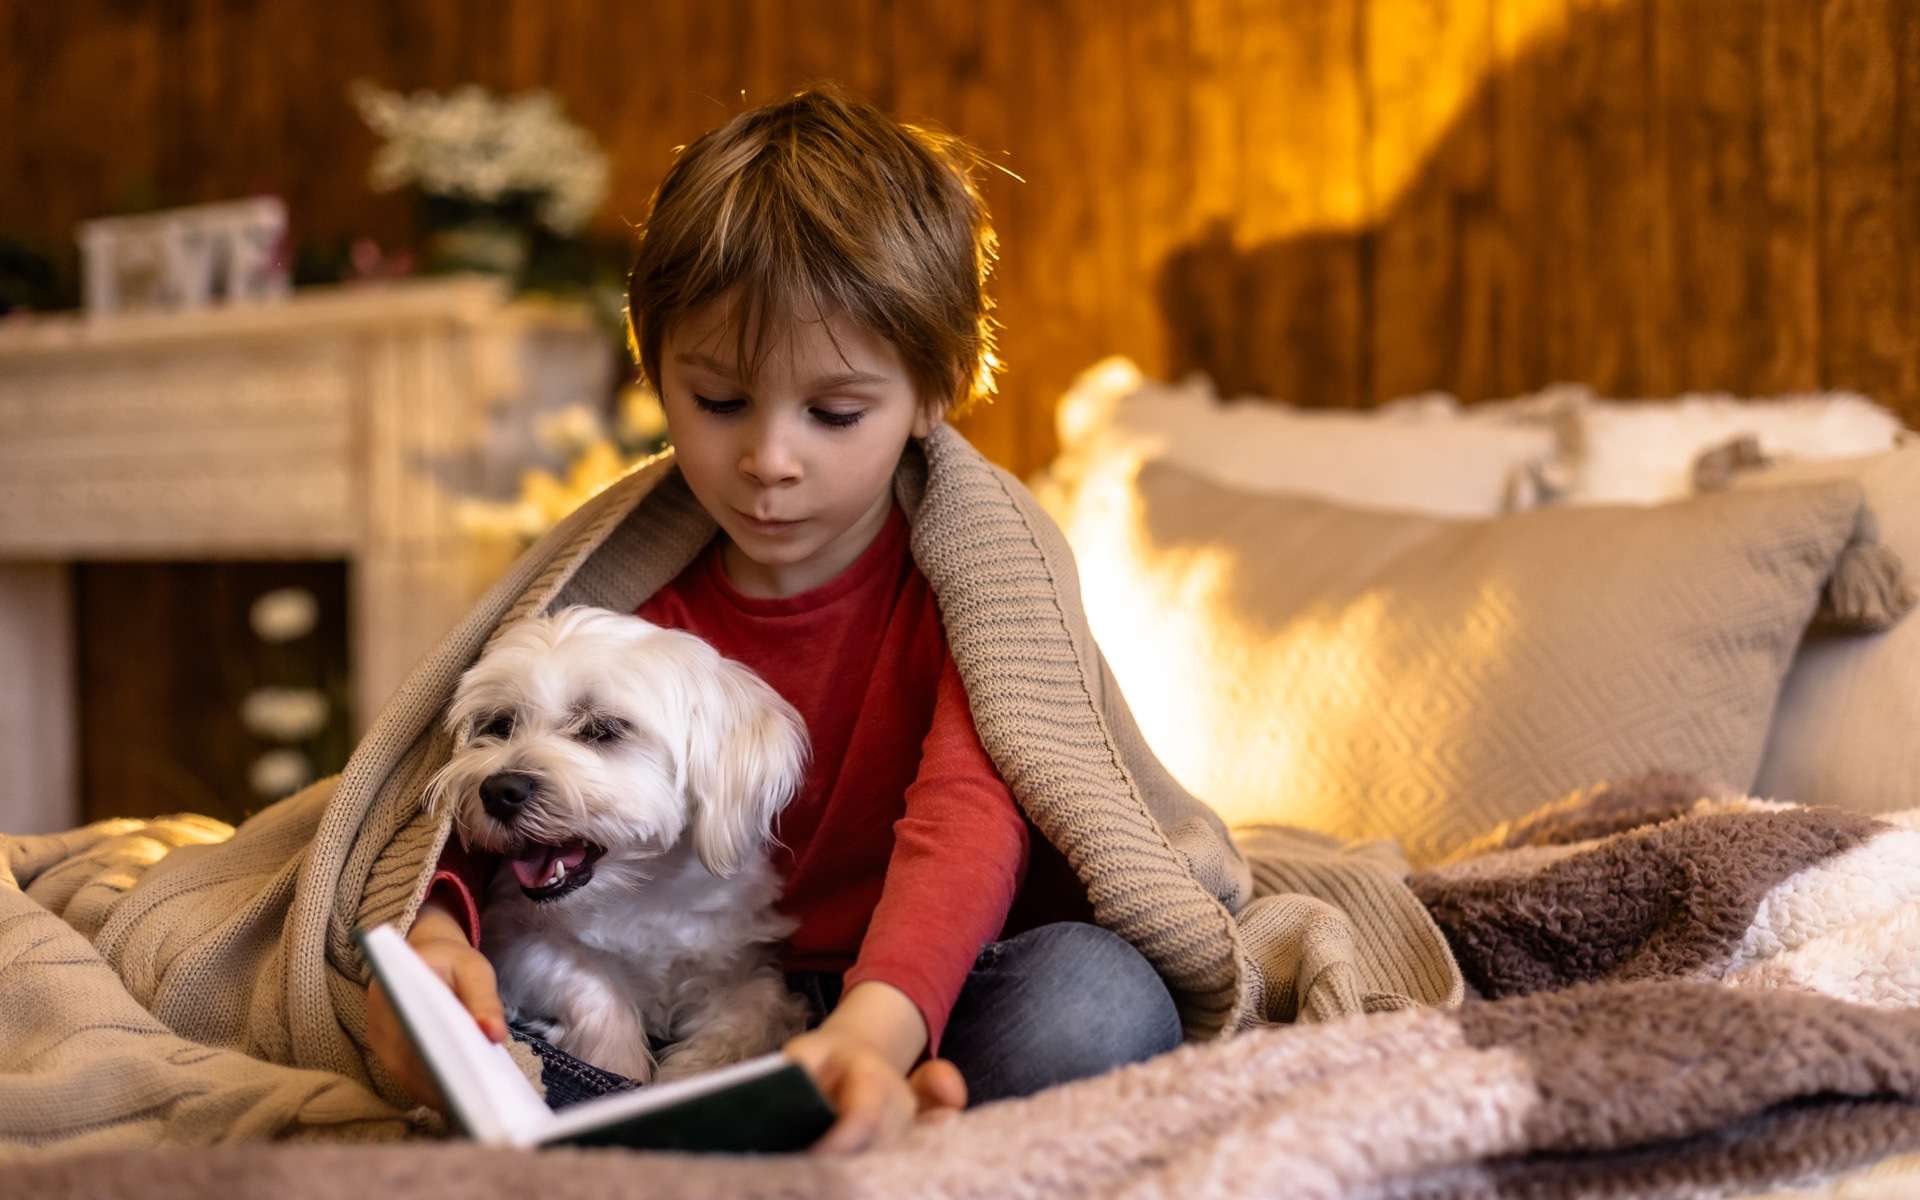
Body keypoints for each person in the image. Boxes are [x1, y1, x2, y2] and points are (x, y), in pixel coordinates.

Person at [365, 83, 1183, 1153]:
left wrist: (872, 1032)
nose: (769, 461)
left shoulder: (976, 591)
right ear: (657, 375)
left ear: (932, 393)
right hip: (665, 976)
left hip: (921, 981)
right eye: (718, 403)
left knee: (1096, 1002)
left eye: (834, 413)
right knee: (447, 1019)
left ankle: (793, 1114)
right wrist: (435, 934)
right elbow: (481, 804)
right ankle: (759, 1134)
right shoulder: (620, 602)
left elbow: (967, 824)